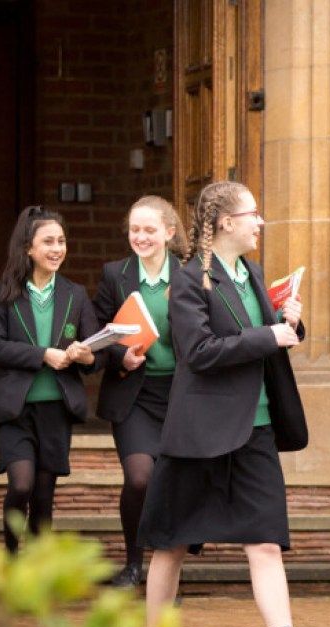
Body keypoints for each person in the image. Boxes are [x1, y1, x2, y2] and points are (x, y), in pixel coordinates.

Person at [139, 180, 330, 627]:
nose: (260, 221)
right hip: (200, 433)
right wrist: (266, 335)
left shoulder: (251, 272)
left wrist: (289, 325)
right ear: (226, 222)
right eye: (253, 213)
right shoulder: (188, 281)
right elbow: (200, 351)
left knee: (266, 543)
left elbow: (265, 338)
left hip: (254, 429)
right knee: (171, 544)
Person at [0, 205, 98, 553]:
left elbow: (95, 353)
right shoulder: (0, 294)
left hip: (56, 410)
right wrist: (43, 354)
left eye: (61, 241)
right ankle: (13, 558)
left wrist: (86, 354)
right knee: (21, 485)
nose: (57, 248)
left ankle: (38, 567)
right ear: (28, 248)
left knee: (44, 496)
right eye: (48, 241)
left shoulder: (75, 295)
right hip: (16, 410)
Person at [92, 195, 188, 588]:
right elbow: (96, 333)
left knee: (172, 482)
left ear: (168, 232)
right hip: (135, 395)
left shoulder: (191, 274)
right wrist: (120, 358)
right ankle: (133, 564)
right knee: (140, 478)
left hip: (182, 398)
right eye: (135, 230)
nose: (141, 237)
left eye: (149, 229)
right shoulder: (116, 275)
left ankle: (166, 579)